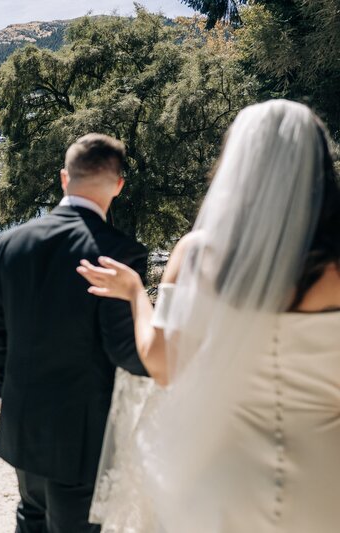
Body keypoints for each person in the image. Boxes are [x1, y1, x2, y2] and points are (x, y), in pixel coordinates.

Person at [78, 99, 340, 532]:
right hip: (326, 481)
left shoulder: (200, 255)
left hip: (224, 482)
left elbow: (162, 365)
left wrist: (135, 295)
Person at [0, 133, 149, 533]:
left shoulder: (11, 243)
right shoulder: (119, 253)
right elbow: (127, 351)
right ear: (119, 185)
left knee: (31, 516)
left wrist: (8, 391)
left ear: (63, 178)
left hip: (23, 421)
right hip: (83, 436)